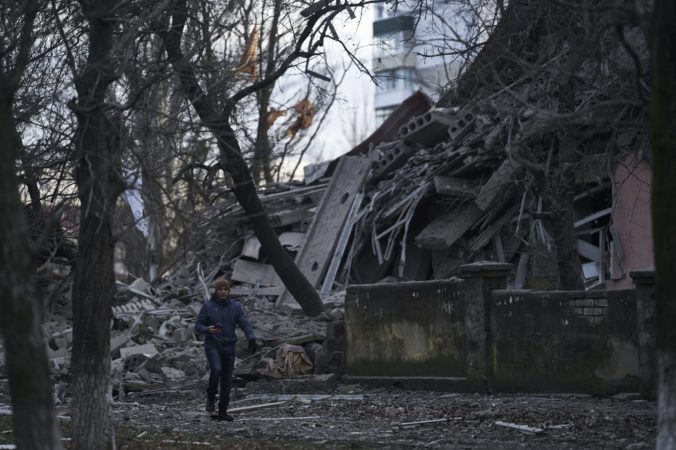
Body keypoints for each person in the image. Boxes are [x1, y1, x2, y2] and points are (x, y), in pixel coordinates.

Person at [195, 278, 257, 421]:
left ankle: (223, 411)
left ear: (229, 291)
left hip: (229, 346)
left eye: (225, 289)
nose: (223, 292)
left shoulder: (235, 306)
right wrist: (207, 329)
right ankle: (211, 397)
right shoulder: (208, 306)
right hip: (213, 345)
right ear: (216, 291)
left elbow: (244, 323)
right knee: (216, 370)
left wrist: (251, 337)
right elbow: (198, 326)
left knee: (227, 379)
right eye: (220, 289)